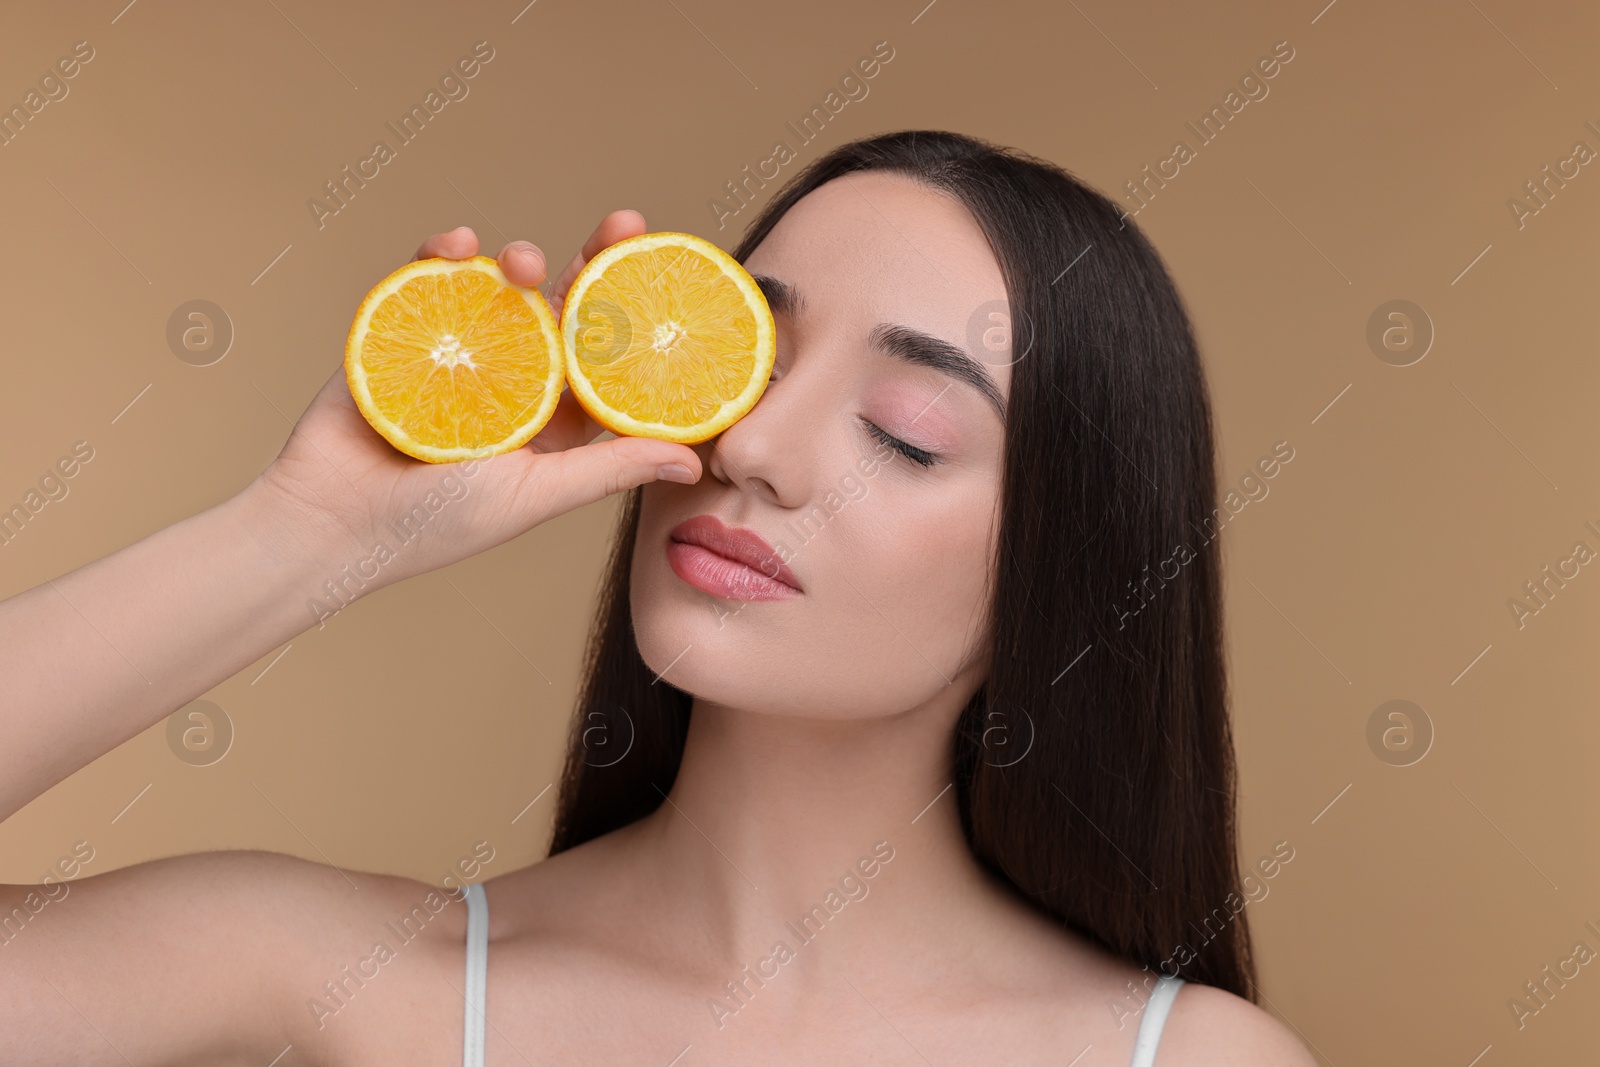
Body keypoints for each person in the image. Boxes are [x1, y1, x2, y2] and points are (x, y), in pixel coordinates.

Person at [1, 129, 1316, 1065]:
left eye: (907, 433)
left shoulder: (1181, 1060)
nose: (753, 449)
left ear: (1062, 569)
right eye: (745, 361)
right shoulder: (351, 982)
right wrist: (304, 535)